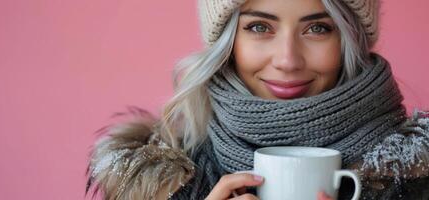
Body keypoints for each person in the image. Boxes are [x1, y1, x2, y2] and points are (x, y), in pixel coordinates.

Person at [86, 0, 429, 199]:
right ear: (227, 41)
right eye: (260, 27)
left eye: (318, 28)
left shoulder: (417, 174)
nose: (287, 60)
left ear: (349, 39)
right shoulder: (157, 180)